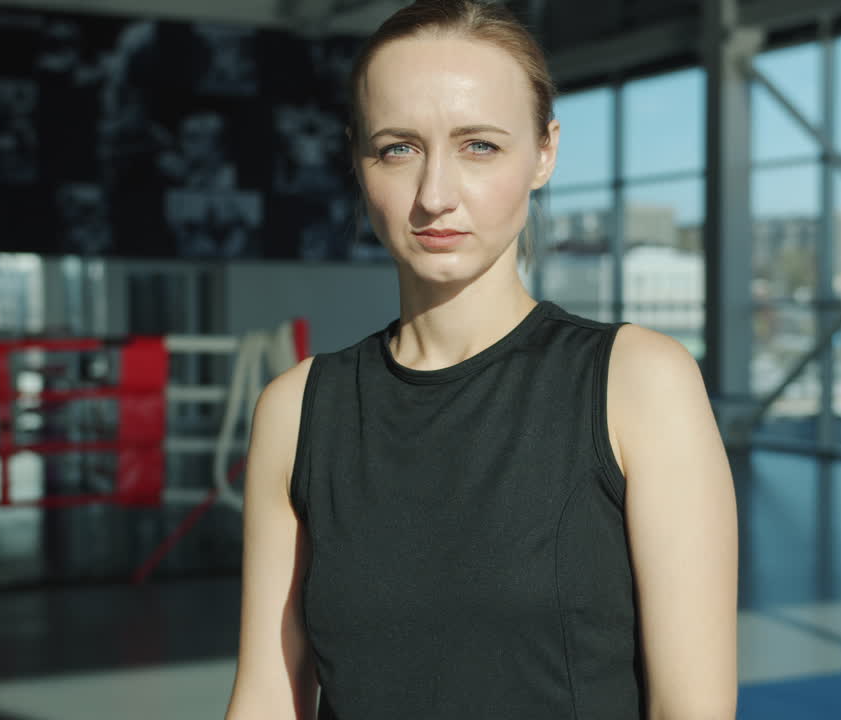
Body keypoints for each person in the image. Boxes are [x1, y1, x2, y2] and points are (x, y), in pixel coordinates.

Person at [225, 1, 738, 718]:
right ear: (358, 158)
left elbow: (694, 709)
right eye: (398, 148)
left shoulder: (637, 383)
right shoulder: (298, 408)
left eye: (480, 147)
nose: (435, 196)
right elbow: (267, 699)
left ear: (545, 152)